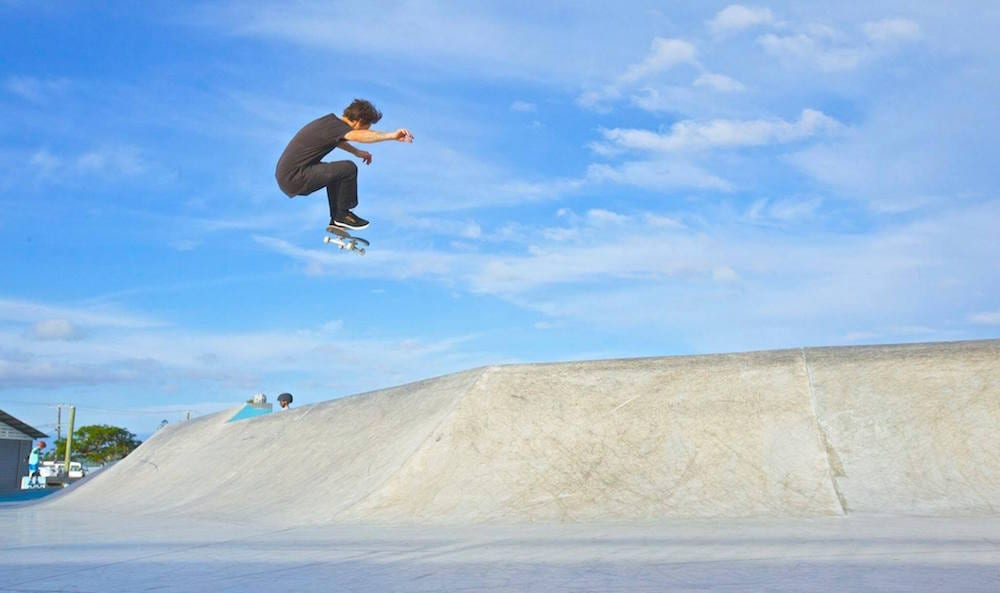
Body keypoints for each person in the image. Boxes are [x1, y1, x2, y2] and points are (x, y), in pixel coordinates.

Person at [275, 98, 414, 231]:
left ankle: (336, 220)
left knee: (337, 173)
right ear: (359, 122)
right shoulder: (336, 126)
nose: (365, 131)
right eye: (366, 128)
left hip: (289, 175)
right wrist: (391, 136)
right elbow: (358, 136)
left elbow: (338, 140)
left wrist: (356, 152)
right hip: (295, 176)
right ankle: (342, 215)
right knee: (348, 169)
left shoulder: (330, 124)